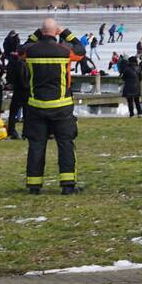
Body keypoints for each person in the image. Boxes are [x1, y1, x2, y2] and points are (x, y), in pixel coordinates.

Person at [20, 18, 86, 194]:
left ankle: (34, 186)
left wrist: (36, 34)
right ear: (55, 32)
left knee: (36, 145)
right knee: (65, 144)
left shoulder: (30, 51)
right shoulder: (65, 51)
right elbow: (80, 50)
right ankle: (67, 185)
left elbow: (21, 49)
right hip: (62, 106)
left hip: (36, 106)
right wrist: (64, 32)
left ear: (41, 32)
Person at [5, 51, 29, 139]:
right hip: (26, 91)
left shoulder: (15, 64)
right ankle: (26, 133)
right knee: (26, 114)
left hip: (19, 91)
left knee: (13, 112)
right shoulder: (26, 65)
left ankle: (12, 131)